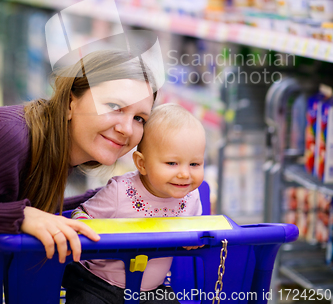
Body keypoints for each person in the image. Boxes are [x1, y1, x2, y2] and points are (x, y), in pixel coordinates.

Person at [0, 49, 157, 265]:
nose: (127, 129)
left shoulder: (54, 154)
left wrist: (112, 196)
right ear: (69, 103)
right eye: (114, 106)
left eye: (139, 118)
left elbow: (44, 211)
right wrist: (21, 215)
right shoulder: (12, 135)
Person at [63, 103, 206, 304]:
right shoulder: (121, 191)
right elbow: (81, 213)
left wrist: (193, 239)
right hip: (96, 282)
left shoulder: (191, 197)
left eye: (194, 164)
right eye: (172, 163)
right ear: (142, 163)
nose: (185, 173)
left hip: (151, 288)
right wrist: (86, 229)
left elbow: (194, 228)